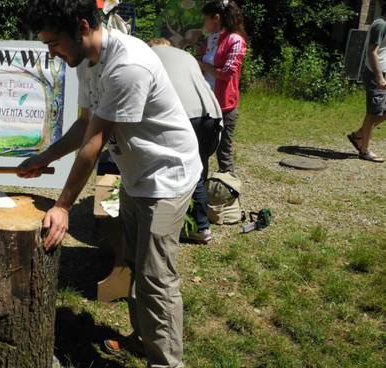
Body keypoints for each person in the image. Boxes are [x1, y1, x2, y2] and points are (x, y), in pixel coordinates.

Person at [21, 1, 202, 367]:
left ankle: (167, 363)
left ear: (83, 26)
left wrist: (63, 206)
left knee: (157, 278)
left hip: (167, 177)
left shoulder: (127, 66)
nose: (52, 53)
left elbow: (93, 144)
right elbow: (84, 125)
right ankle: (143, 338)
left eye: (54, 43)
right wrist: (45, 158)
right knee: (134, 263)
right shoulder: (86, 62)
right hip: (137, 175)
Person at [148, 38, 223, 244]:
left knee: (171, 172)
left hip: (187, 116)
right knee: (197, 170)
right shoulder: (185, 56)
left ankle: (168, 229)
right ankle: (198, 223)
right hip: (212, 115)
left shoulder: (150, 55)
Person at [198, 0, 247, 173]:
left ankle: (227, 192)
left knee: (223, 152)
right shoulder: (209, 39)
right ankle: (200, 193)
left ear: (216, 18)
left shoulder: (235, 40)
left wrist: (202, 65)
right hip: (204, 103)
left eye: (206, 19)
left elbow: (226, 74)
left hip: (225, 106)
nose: (204, 22)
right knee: (200, 151)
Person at [347, 0, 386, 163]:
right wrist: (379, 77)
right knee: (374, 112)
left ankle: (358, 136)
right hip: (376, 74)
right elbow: (372, 52)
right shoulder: (380, 24)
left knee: (383, 112)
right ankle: (364, 150)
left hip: (384, 72)